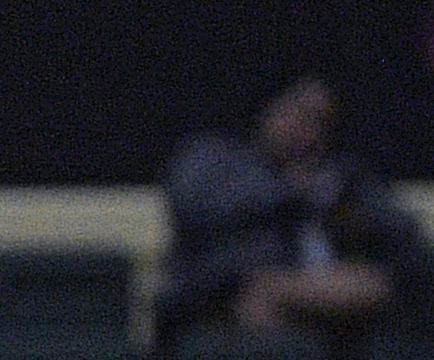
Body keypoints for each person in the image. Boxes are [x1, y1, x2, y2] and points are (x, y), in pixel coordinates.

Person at [162, 74, 421, 338]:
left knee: (378, 285)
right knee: (262, 296)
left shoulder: (339, 176)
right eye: (300, 114)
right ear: (268, 109)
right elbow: (196, 208)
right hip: (224, 293)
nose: (307, 131)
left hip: (320, 289)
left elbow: (402, 231)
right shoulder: (216, 158)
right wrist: (290, 193)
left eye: (320, 122)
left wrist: (352, 217)